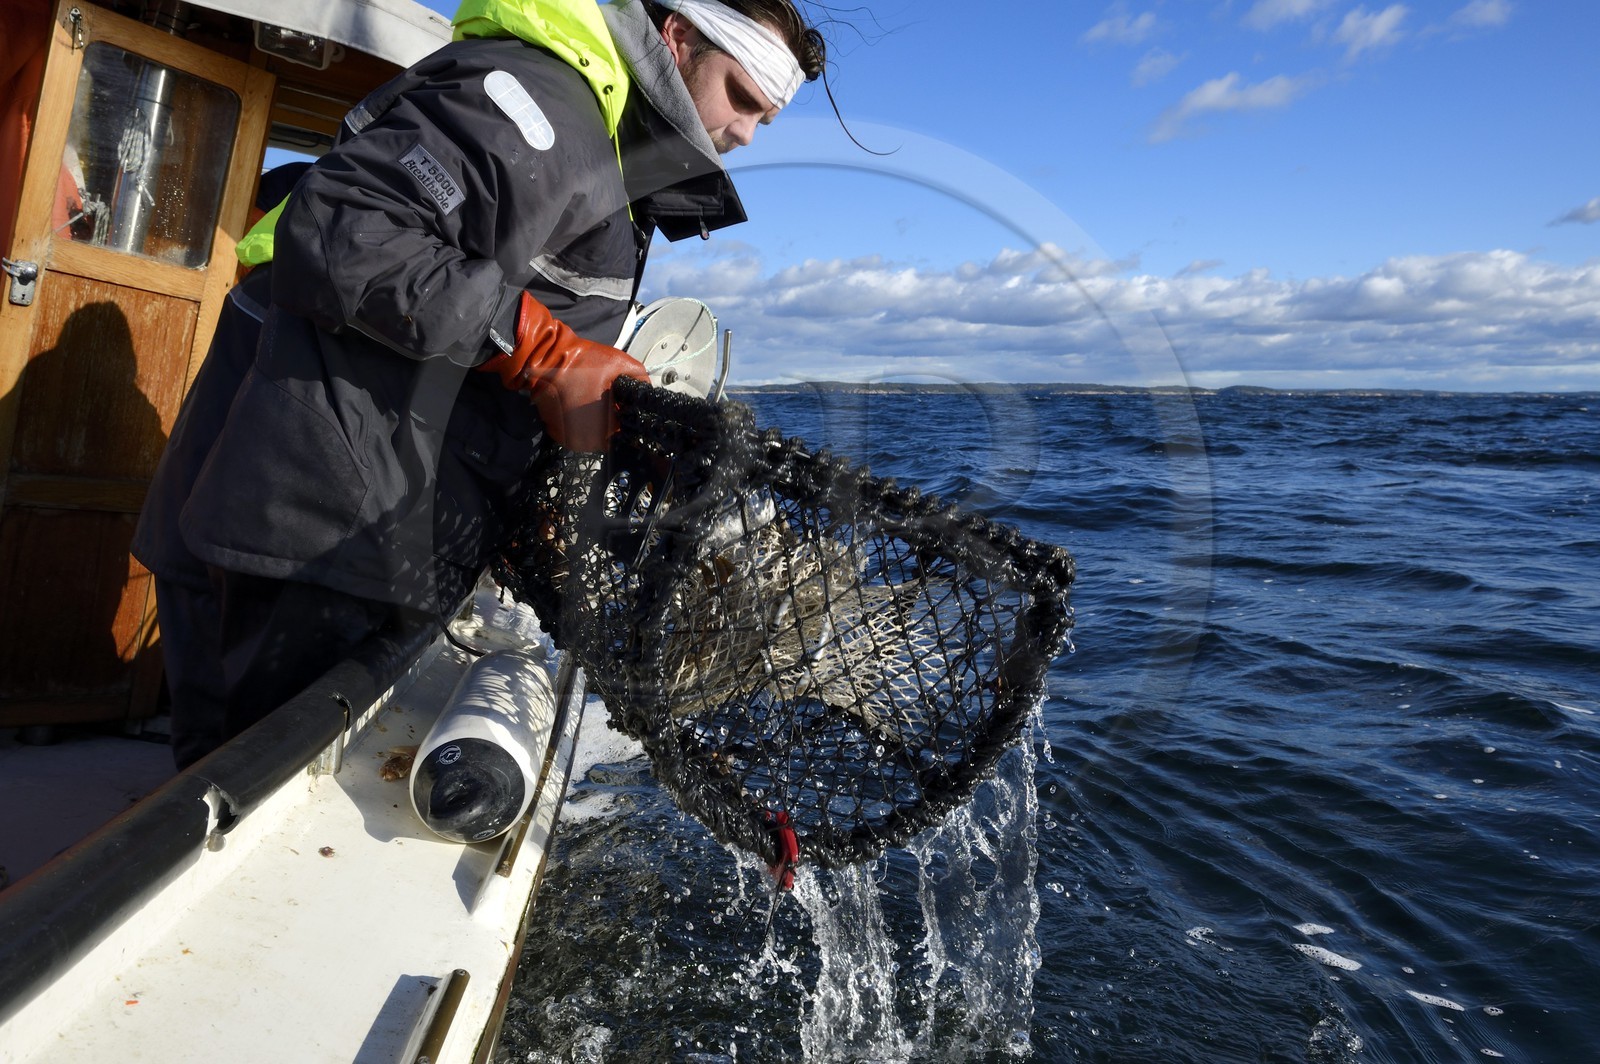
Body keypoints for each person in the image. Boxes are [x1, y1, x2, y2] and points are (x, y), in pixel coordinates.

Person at [132, 0, 826, 769]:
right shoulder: (540, 105)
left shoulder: (606, 149)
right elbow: (343, 227)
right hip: (316, 533)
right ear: (679, 37)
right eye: (742, 97)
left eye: (766, 118)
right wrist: (541, 351)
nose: (745, 133)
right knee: (238, 796)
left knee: (247, 790)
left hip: (362, 528)